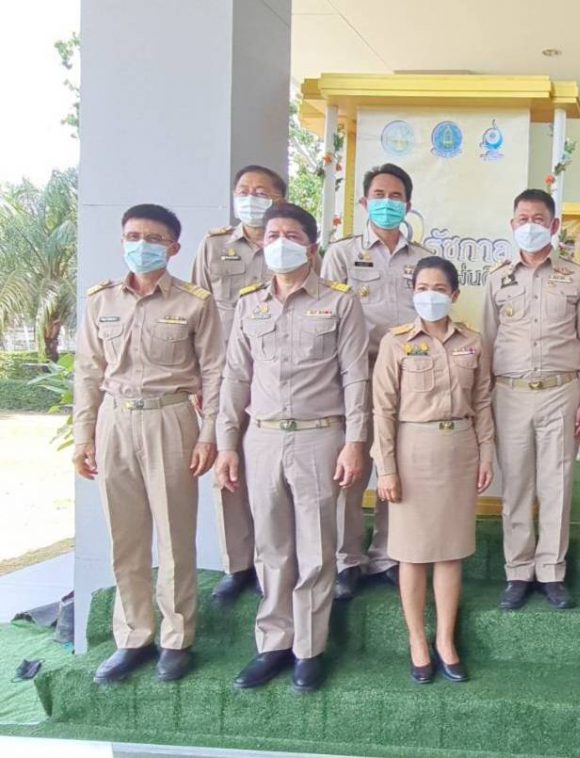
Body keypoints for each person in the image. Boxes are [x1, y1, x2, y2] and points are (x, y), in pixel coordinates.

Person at [215, 203, 369, 693]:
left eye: (292, 235)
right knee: (272, 546)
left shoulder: (340, 302)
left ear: (311, 246)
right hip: (261, 437)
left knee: (316, 548)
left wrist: (355, 442)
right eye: (273, 235)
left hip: (319, 435)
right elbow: (235, 377)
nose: (280, 242)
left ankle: (308, 647)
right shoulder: (249, 304)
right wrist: (226, 445)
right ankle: (273, 642)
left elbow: (355, 376)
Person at [73, 204, 223, 684]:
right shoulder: (101, 300)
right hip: (115, 420)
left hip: (171, 417)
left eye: (154, 238)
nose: (142, 245)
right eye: (133, 236)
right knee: (126, 535)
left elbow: (215, 372)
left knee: (175, 535)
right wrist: (83, 435)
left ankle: (177, 639)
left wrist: (208, 434)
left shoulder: (195, 302)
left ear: (173, 248)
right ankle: (133, 636)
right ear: (122, 241)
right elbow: (88, 371)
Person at [372, 256, 495, 683]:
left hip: (459, 448)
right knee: (411, 553)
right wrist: (386, 468)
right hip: (412, 451)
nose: (430, 295)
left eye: (439, 289)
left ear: (454, 294)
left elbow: (482, 401)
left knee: (450, 550)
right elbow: (383, 410)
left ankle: (445, 639)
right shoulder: (396, 342)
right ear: (413, 293)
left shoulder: (473, 341)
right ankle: (417, 641)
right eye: (422, 288)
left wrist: (486, 453)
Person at [482, 189, 580, 611]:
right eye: (523, 219)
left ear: (553, 226)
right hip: (509, 393)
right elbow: (488, 341)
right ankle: (518, 570)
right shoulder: (497, 278)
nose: (530, 226)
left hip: (561, 392)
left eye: (538, 219)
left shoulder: (576, 276)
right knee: (515, 486)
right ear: (512, 225)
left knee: (557, 484)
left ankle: (551, 570)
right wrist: (483, 402)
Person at [321, 163, 430, 599]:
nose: (388, 203)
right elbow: (325, 316)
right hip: (355, 373)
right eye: (379, 195)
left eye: (396, 196)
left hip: (408, 376)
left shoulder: (422, 259)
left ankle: (387, 554)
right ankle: (347, 559)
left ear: (408, 204)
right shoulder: (341, 254)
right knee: (352, 467)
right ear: (365, 202)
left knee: (397, 465)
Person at [192, 164, 286, 607]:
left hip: (276, 376)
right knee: (227, 467)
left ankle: (273, 562)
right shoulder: (214, 246)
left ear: (280, 199)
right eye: (244, 190)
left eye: (261, 192)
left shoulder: (292, 243)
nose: (251, 198)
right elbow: (195, 312)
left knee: (271, 476)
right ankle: (238, 565)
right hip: (222, 375)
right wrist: (196, 375)